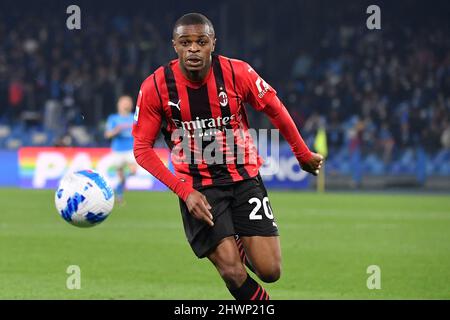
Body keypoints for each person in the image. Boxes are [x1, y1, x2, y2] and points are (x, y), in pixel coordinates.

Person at [132, 13, 323, 300]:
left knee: (271, 271)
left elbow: (275, 108)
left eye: (201, 42)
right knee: (233, 271)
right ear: (175, 46)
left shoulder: (238, 73)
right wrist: (185, 192)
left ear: (213, 44)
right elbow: (142, 149)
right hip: (199, 188)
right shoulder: (155, 87)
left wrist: (302, 153)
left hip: (245, 177)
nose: (193, 48)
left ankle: (234, 235)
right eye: (186, 42)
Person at [105, 95, 137, 203]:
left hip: (130, 149)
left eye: (128, 102)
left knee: (134, 170)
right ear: (119, 104)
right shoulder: (113, 118)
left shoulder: (134, 117)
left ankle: (119, 187)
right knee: (120, 175)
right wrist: (116, 131)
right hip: (118, 150)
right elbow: (108, 134)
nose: (126, 104)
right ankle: (119, 195)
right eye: (124, 102)